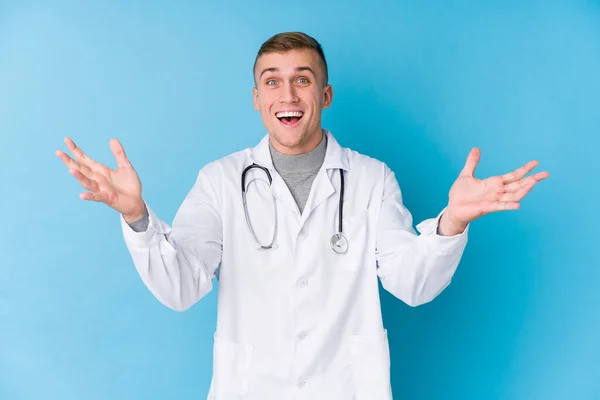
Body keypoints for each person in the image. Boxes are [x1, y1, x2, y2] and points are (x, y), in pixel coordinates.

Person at [56, 32, 549, 399]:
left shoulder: (372, 179)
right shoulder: (221, 180)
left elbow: (412, 285)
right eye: (272, 82)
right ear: (256, 99)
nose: (287, 95)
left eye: (302, 80)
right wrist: (139, 217)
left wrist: (451, 223)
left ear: (325, 96)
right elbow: (182, 288)